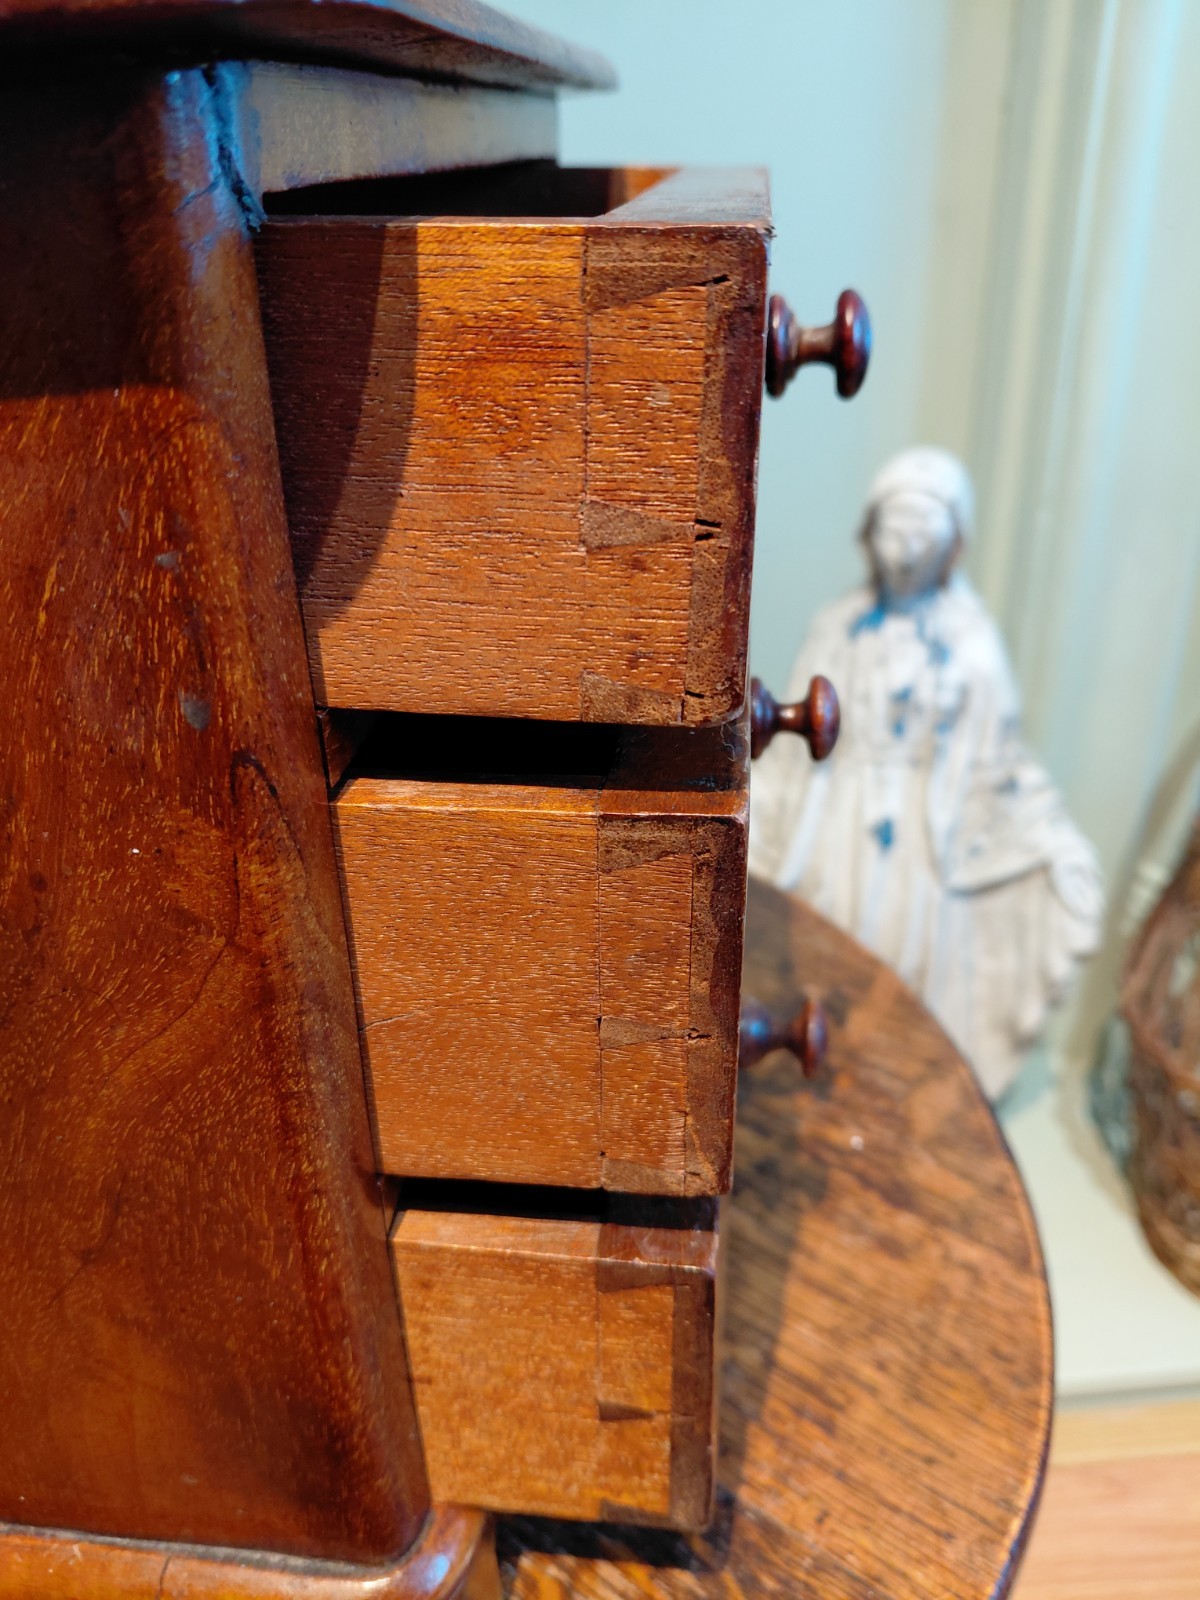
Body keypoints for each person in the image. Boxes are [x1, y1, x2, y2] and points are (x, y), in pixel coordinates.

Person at [749, 446, 1104, 1099]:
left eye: (923, 531)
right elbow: (792, 737)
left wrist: (1045, 835)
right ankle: (821, 1062)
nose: (906, 548)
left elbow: (997, 757)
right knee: (827, 936)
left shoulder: (971, 643)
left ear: (952, 544)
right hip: (837, 811)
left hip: (922, 830)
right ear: (869, 533)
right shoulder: (838, 625)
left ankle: (889, 1076)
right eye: (894, 527)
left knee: (906, 953)